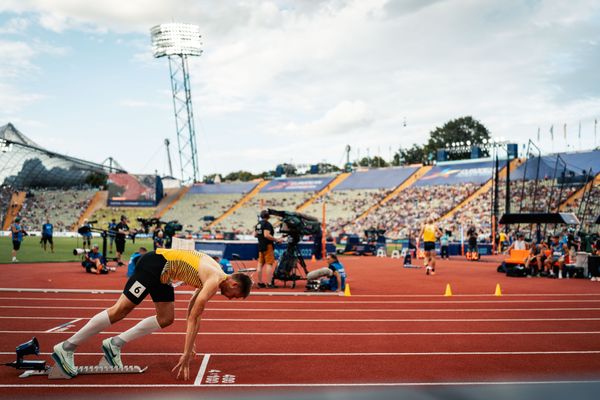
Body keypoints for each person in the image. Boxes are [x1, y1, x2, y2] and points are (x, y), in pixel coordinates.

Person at [51, 248, 253, 380]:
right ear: (234, 284)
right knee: (121, 309)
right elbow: (195, 317)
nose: (231, 298)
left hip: (164, 275)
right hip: (154, 265)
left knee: (166, 318)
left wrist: (190, 344)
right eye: (236, 295)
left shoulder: (215, 273)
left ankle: (114, 345)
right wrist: (186, 351)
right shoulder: (213, 280)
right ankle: (66, 347)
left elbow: (193, 304)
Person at [254, 210, 283, 288]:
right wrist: (276, 240)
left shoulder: (258, 224)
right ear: (268, 216)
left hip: (260, 245)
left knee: (260, 264)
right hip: (267, 246)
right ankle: (269, 283)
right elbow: (266, 235)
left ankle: (260, 282)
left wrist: (261, 237)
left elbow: (255, 234)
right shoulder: (266, 224)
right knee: (269, 264)